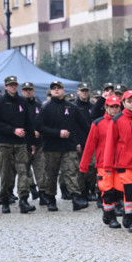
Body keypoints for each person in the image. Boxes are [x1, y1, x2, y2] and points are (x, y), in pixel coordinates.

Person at [36, 80, 89, 212]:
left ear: (63, 90)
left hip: (69, 146)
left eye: (58, 88)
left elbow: (84, 125)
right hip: (51, 147)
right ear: (50, 91)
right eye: (53, 88)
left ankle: (76, 197)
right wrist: (57, 133)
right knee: (51, 174)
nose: (56, 90)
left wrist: (93, 135)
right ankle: (51, 198)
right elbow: (39, 127)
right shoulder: (46, 107)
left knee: (71, 171)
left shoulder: (71, 107)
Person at [104, 90, 132, 232]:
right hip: (124, 163)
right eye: (129, 101)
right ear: (123, 103)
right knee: (129, 190)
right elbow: (110, 144)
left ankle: (128, 213)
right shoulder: (116, 120)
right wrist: (108, 165)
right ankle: (131, 219)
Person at [0, 76, 36, 214]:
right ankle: (5, 199)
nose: (13, 87)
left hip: (21, 143)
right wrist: (12, 130)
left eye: (15, 85)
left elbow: (29, 123)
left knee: (23, 171)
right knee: (5, 173)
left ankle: (23, 199)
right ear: (5, 87)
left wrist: (32, 142)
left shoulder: (22, 101)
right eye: (10, 85)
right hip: (4, 142)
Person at [80, 94, 123, 228]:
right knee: (107, 190)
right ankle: (112, 218)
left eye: (117, 107)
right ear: (106, 107)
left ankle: (108, 211)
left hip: (119, 163)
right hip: (103, 164)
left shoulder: (122, 122)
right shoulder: (98, 123)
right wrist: (83, 167)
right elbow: (89, 146)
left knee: (118, 191)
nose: (115, 109)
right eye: (112, 107)